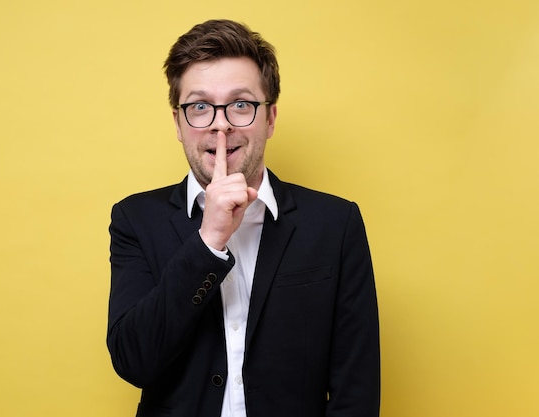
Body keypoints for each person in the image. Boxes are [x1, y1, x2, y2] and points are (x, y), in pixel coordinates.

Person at [107, 19, 380, 417]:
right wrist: (209, 241)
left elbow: (356, 388)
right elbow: (133, 360)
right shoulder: (135, 219)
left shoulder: (336, 225)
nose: (221, 123)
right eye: (199, 107)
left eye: (241, 105)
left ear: (269, 119)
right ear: (178, 125)